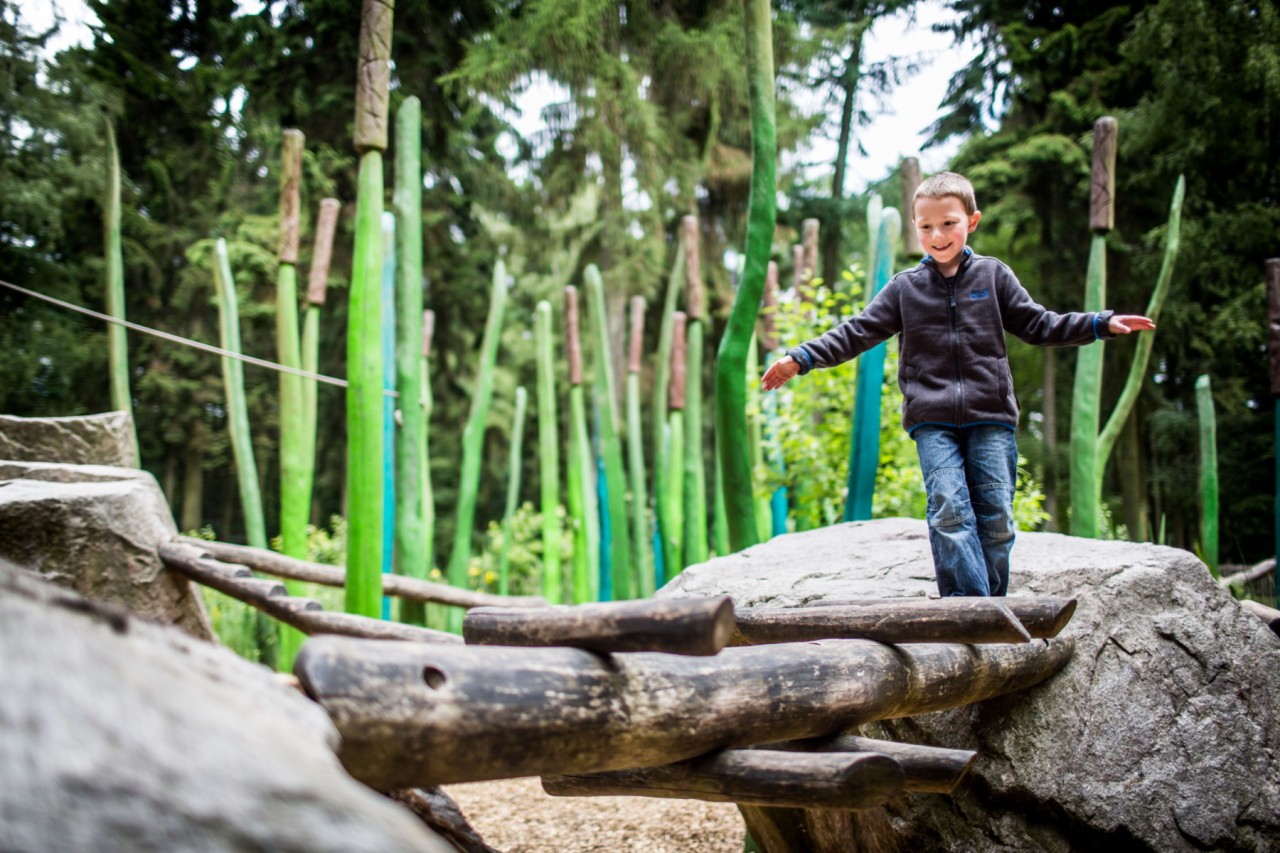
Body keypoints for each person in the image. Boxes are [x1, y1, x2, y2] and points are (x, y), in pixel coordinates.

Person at [760, 171, 1155, 597]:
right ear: (915, 229)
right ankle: (970, 611)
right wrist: (800, 358)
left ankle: (990, 605)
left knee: (997, 519)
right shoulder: (904, 289)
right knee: (949, 509)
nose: (938, 234)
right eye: (927, 226)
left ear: (972, 221)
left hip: (991, 416)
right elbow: (857, 331)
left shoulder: (993, 276)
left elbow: (1041, 325)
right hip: (932, 419)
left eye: (949, 223)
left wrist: (1098, 323)